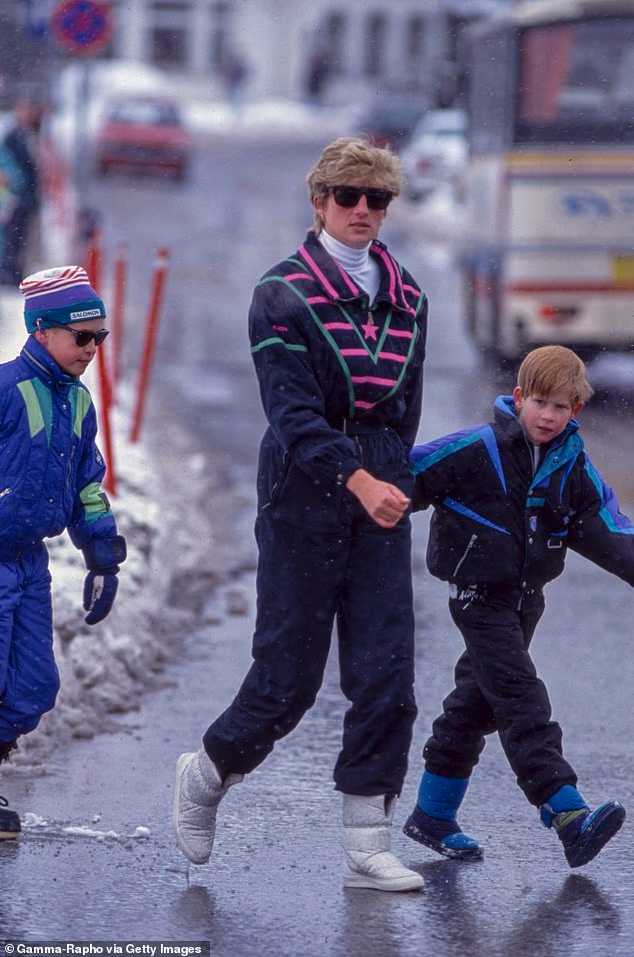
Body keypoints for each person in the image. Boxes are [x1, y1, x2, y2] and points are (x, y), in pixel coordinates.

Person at [173, 137, 428, 892]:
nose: (361, 211)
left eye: (375, 199)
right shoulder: (280, 292)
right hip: (303, 492)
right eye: (346, 196)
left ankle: (366, 843)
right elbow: (291, 414)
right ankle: (208, 770)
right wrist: (354, 475)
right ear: (318, 201)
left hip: (378, 489)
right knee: (288, 677)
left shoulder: (409, 295)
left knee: (386, 671)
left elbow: (403, 412)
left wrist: (389, 476)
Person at [403, 345, 630, 869]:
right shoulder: (476, 447)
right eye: (541, 403)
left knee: (475, 704)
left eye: (562, 407)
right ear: (520, 397)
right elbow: (401, 479)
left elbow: (609, 529)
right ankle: (566, 812)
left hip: (526, 600)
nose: (548, 416)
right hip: (478, 597)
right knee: (520, 697)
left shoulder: (571, 464)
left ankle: (433, 815)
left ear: (576, 411)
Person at [0, 265, 127, 838]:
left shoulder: (78, 404)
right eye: (83, 337)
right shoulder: (6, 390)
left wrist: (103, 555)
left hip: (31, 563)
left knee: (32, 688)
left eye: (101, 337)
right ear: (42, 330)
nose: (93, 348)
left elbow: (86, 483)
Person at [0, 99, 42, 285]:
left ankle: (14, 270)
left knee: (20, 237)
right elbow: (14, 171)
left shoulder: (28, 134)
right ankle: (9, 271)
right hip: (16, 197)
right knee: (13, 238)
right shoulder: (12, 137)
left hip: (26, 196)